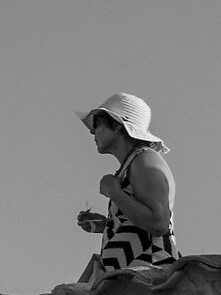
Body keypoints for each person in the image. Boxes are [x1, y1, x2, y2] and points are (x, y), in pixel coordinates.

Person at [74, 92, 179, 279]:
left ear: (116, 125)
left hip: (149, 279)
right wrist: (107, 225)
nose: (92, 131)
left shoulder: (144, 160)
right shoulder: (135, 162)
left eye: (97, 124)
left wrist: (115, 193)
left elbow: (158, 223)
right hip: (133, 281)